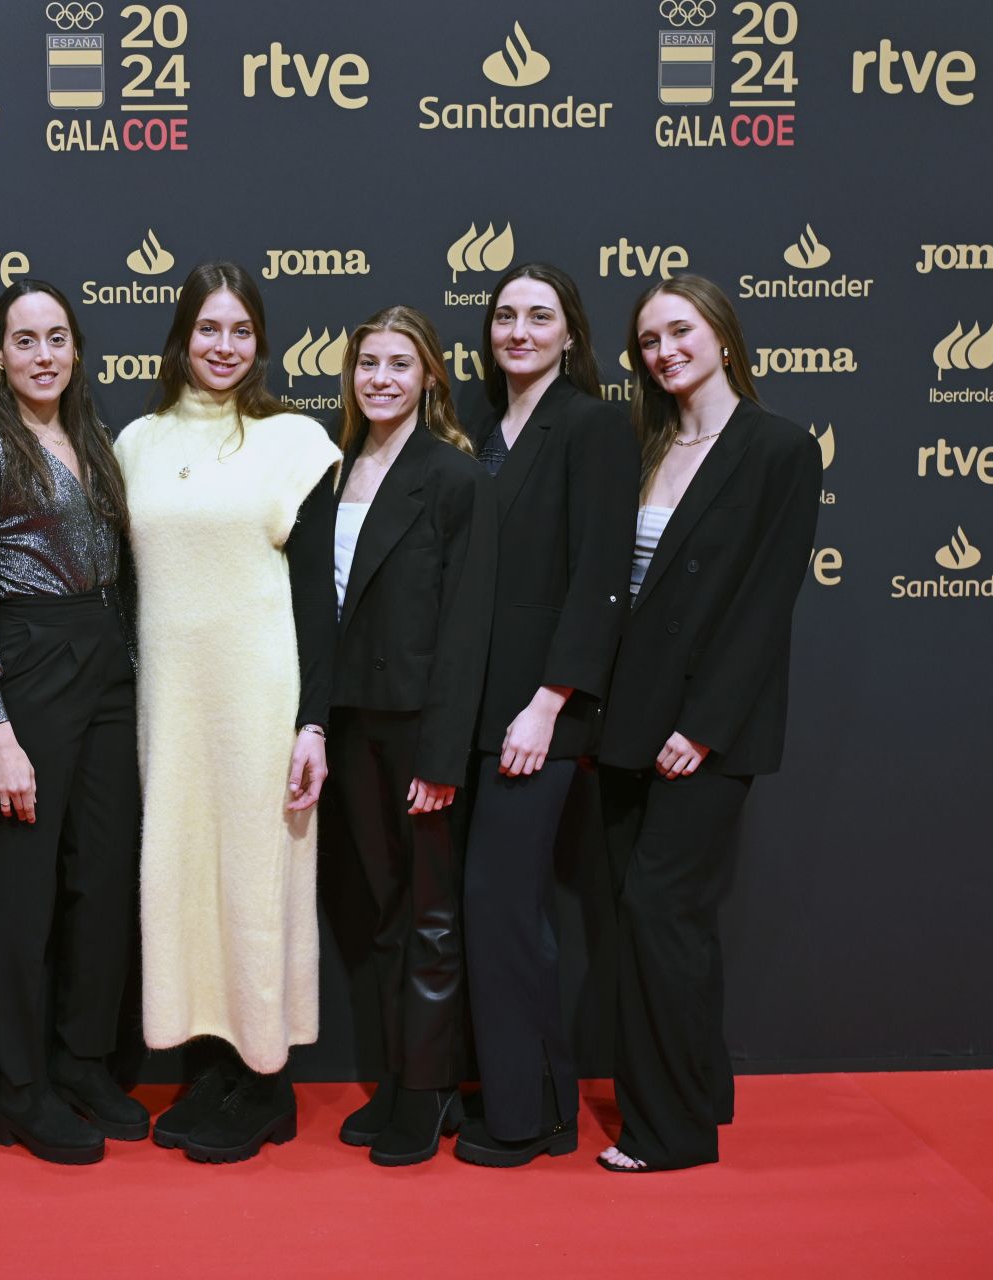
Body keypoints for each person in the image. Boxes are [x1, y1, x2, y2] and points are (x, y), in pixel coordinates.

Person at [113, 260, 341, 1164]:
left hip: (260, 698)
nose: (223, 346)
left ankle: (266, 1083)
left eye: (240, 330)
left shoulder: (295, 442)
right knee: (183, 876)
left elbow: (319, 600)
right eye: (208, 329)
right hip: (169, 705)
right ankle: (211, 1067)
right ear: (182, 337)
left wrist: (313, 720)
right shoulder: (132, 441)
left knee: (255, 881)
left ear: (260, 341)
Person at [595, 274, 822, 1173]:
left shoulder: (779, 450)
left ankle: (672, 1133)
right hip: (626, 722)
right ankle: (703, 1094)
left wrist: (705, 726)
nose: (664, 351)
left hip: (704, 731)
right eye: (649, 341)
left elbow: (767, 604)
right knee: (658, 920)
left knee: (662, 912)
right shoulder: (647, 445)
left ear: (722, 335)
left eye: (679, 331)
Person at [0, 280, 142, 1165]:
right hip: (25, 663)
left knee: (101, 876)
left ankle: (83, 1061)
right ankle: (19, 1087)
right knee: (20, 888)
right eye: (25, 340)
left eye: (58, 337)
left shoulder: (94, 437)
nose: (44, 355)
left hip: (104, 661)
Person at [454, 263, 639, 1168]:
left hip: (541, 715)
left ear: (571, 335)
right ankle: (531, 1096)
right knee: (498, 907)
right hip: (480, 710)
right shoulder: (486, 430)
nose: (518, 329)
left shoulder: (596, 425)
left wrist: (550, 703)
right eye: (504, 316)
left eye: (539, 316)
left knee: (503, 903)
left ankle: (532, 1117)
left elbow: (600, 575)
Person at [320, 306, 491, 1166]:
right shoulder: (341, 466)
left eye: (399, 364)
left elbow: (467, 630)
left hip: (421, 726)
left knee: (428, 915)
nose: (380, 377)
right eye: (367, 363)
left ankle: (428, 1096)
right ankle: (399, 1077)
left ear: (430, 377)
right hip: (353, 722)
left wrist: (443, 752)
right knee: (386, 913)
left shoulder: (452, 477)